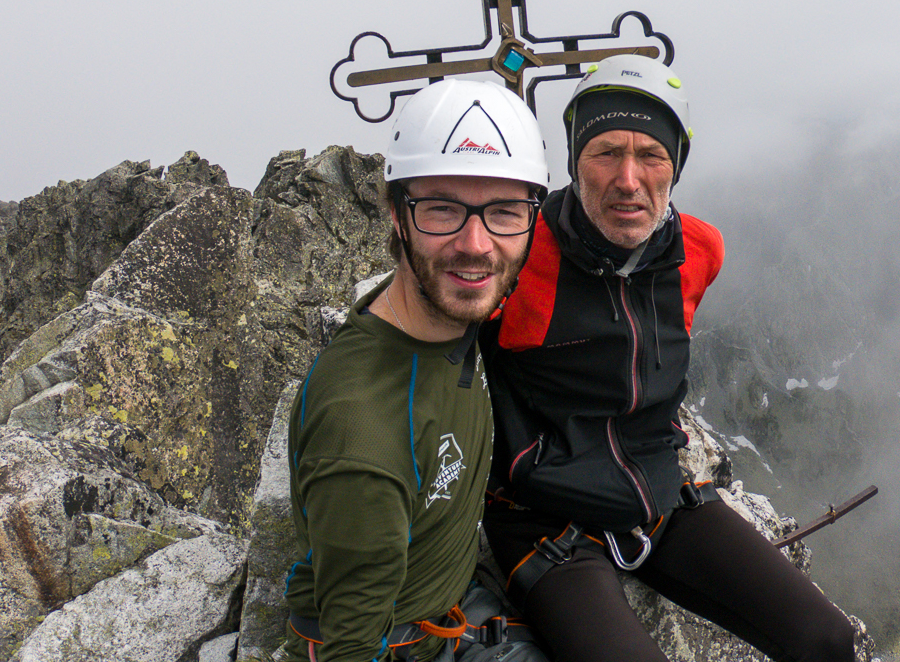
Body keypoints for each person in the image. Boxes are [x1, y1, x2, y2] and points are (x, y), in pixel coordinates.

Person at [481, 55, 859, 662]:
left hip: (658, 498)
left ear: (675, 166)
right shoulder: (519, 253)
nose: (628, 178)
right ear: (575, 159)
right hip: (545, 521)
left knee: (828, 639)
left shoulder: (700, 249)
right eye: (605, 152)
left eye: (651, 155)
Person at [284, 79, 548, 662]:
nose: (475, 245)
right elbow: (349, 648)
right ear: (399, 217)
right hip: (413, 640)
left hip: (460, 594)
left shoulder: (437, 305)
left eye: (504, 211)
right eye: (443, 210)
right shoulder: (365, 432)